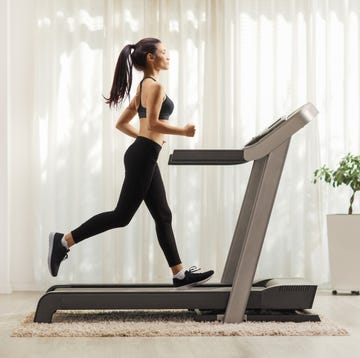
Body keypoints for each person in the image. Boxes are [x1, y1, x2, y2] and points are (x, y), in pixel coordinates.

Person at [48, 37, 214, 289]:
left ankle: (179, 275)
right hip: (143, 155)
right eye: (164, 52)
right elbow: (153, 124)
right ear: (151, 57)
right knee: (121, 216)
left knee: (163, 215)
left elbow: (123, 124)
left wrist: (149, 139)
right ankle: (63, 241)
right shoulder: (153, 87)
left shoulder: (143, 87)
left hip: (144, 153)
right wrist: (183, 130)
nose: (168, 57)